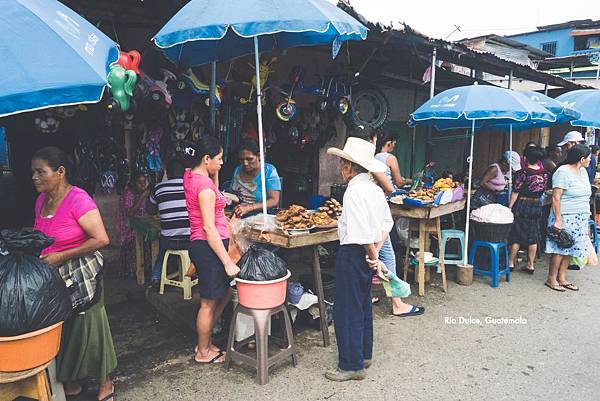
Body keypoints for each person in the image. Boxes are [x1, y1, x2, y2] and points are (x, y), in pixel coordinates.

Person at [31, 147, 116, 401]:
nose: (34, 177)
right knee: (65, 328)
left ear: (60, 172)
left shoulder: (78, 200)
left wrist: (60, 257)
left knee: (91, 326)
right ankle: (72, 382)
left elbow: (101, 239)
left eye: (40, 172)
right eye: (33, 172)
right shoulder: (41, 200)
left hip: (83, 275)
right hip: (55, 276)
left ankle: (106, 382)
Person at [324, 137, 393, 381]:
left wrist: (374, 256)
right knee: (362, 303)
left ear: (349, 167)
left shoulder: (354, 192)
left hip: (354, 253)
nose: (341, 169)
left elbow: (362, 233)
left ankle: (351, 365)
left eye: (342, 164)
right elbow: (386, 224)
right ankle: (363, 354)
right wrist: (375, 253)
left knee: (346, 308)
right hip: (366, 250)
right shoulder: (375, 190)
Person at [183, 136, 239, 364]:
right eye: (219, 158)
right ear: (206, 159)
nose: (222, 162)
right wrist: (227, 261)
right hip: (208, 247)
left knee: (223, 294)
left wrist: (213, 172)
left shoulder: (191, 175)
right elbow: (208, 226)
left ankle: (205, 340)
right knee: (208, 302)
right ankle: (203, 351)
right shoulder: (203, 187)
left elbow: (215, 195)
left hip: (207, 246)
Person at [545, 144, 592, 292]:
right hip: (565, 216)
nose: (590, 160)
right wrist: (558, 220)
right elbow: (556, 197)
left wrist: (587, 212)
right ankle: (551, 278)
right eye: (589, 158)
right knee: (560, 248)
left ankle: (562, 277)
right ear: (582, 158)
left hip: (580, 216)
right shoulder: (562, 171)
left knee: (571, 248)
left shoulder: (583, 171)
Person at [148, 159, 191, 288]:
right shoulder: (191, 186)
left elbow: (150, 210)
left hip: (168, 241)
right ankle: (197, 274)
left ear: (167, 172)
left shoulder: (159, 187)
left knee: (162, 253)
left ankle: (156, 277)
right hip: (190, 241)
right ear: (184, 173)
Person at [508, 146, 549, 273]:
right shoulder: (545, 173)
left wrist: (509, 207)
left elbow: (516, 191)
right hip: (536, 205)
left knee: (517, 234)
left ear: (525, 158)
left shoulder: (523, 173)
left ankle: (510, 263)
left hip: (522, 204)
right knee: (533, 234)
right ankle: (531, 265)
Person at [230, 140, 281, 218]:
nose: (245, 163)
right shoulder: (237, 170)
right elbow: (234, 195)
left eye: (249, 159)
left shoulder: (269, 171)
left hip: (262, 219)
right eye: (241, 160)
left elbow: (274, 201)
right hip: (239, 217)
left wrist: (249, 208)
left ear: (259, 156)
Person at [116, 171, 149, 278]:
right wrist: (143, 197)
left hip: (139, 225)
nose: (143, 185)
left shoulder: (141, 193)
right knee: (142, 241)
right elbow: (129, 213)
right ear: (133, 183)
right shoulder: (129, 194)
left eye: (144, 182)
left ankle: (146, 270)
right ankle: (138, 272)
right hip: (128, 229)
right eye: (140, 182)